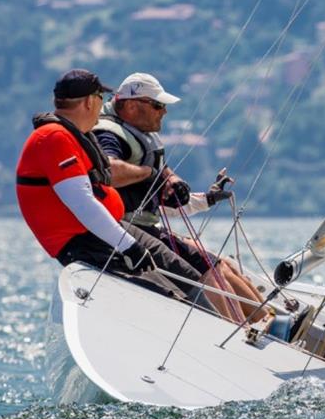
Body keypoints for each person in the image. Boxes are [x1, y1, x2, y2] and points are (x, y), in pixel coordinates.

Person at [15, 69, 212, 310]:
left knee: (191, 281)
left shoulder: (74, 135)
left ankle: (227, 333)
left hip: (111, 232)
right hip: (88, 243)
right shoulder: (54, 137)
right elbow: (82, 202)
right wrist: (128, 246)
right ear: (89, 101)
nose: (104, 106)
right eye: (101, 99)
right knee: (172, 299)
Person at [93, 72, 268, 322]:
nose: (163, 112)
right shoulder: (108, 134)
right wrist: (153, 174)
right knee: (210, 267)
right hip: (127, 229)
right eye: (157, 105)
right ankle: (245, 328)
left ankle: (268, 320)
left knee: (221, 265)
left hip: (146, 225)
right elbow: (111, 170)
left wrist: (178, 183)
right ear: (131, 106)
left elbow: (157, 174)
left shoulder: (138, 132)